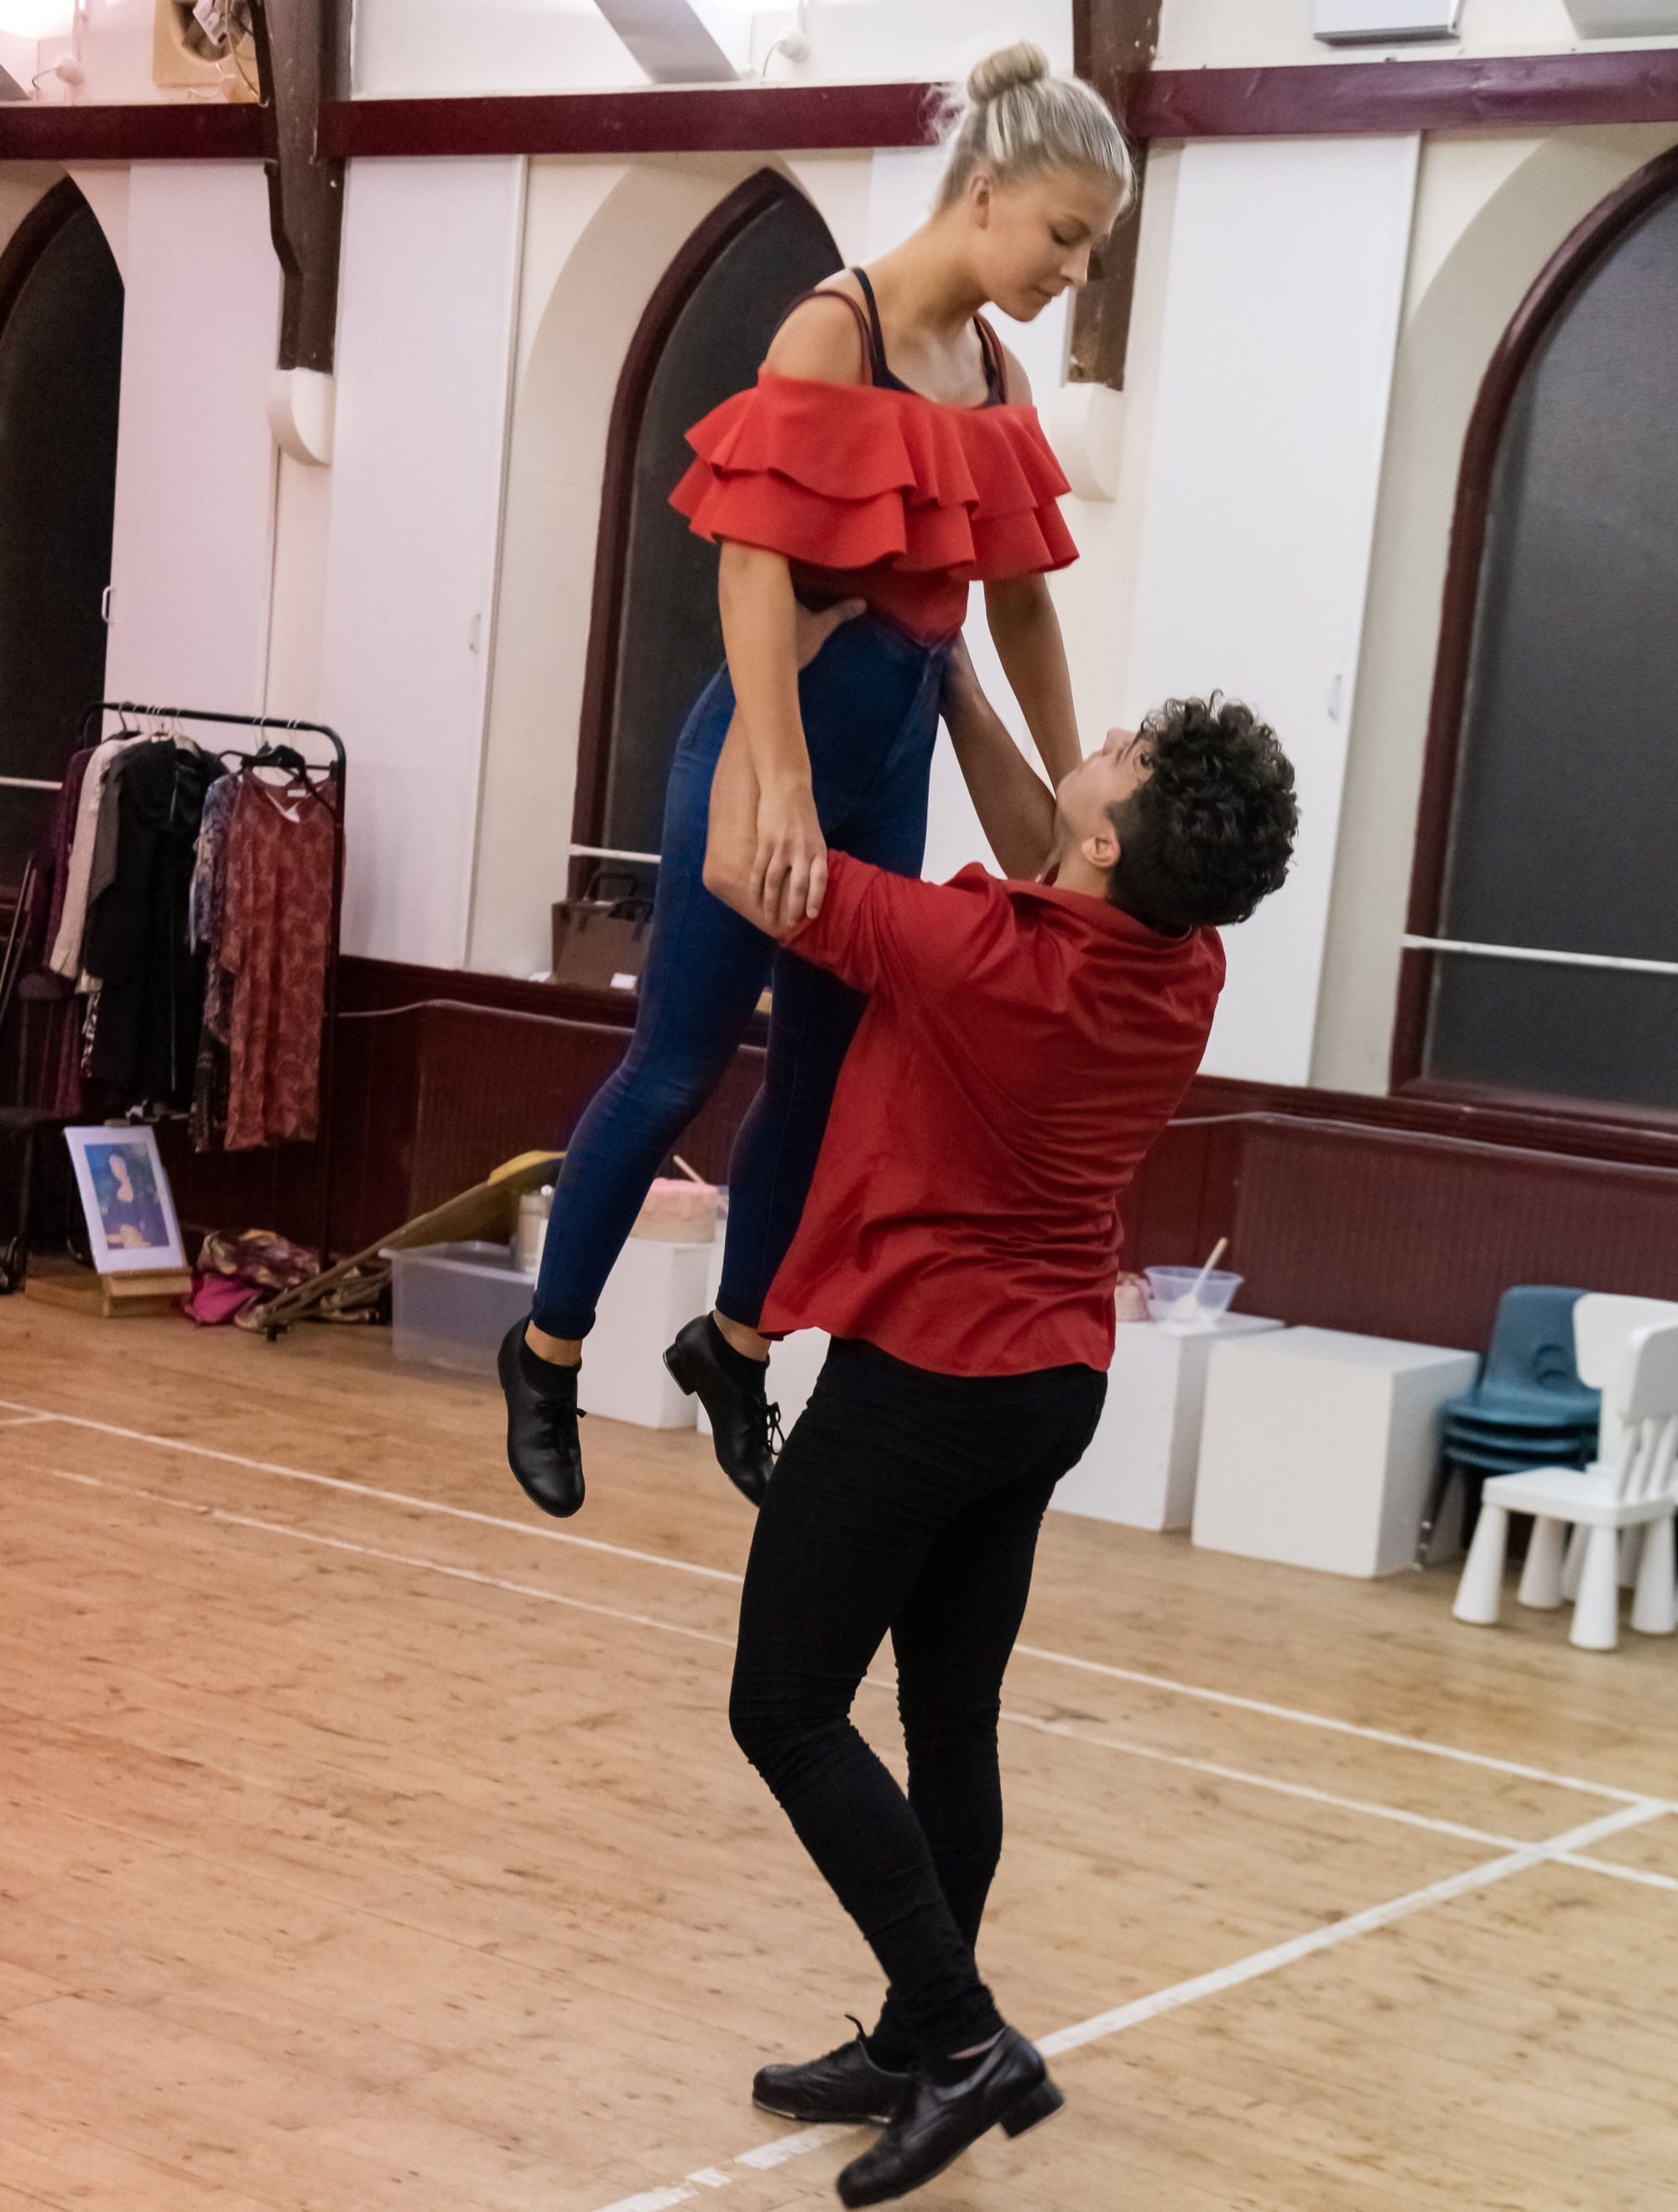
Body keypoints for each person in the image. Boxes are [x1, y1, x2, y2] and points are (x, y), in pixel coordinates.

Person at [500, 42, 1136, 1520]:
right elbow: (749, 570)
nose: (1073, 272)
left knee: (823, 1076)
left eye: (1091, 249)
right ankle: (546, 1351)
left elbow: (1021, 600)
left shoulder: (995, 371)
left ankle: (735, 1346)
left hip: (890, 751)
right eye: (1064, 235)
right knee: (677, 1063)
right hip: (766, 742)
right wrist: (780, 784)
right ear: (986, 192)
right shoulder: (829, 332)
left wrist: (1071, 797)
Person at [707, 644, 1298, 2204]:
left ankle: (964, 2039)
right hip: (1049, 1385)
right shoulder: (1180, 959)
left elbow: (739, 863)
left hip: (924, 1380)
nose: (1101, 734)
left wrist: (761, 659)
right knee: (947, 1716)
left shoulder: (973, 956)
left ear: (1106, 838)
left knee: (784, 1708)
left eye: (1123, 750)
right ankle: (917, 2039)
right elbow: (1061, 845)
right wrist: (952, 669)